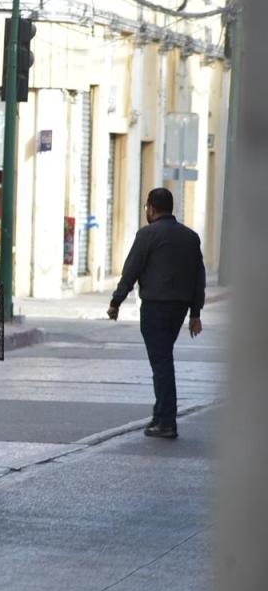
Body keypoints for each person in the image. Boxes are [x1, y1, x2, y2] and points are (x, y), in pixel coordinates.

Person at [107, 187, 205, 439]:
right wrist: (195, 313)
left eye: (146, 207)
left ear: (151, 208)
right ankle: (160, 414)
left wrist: (116, 301)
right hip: (179, 308)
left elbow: (131, 270)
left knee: (161, 363)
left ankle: (166, 421)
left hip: (155, 307)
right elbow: (199, 276)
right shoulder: (190, 237)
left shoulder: (147, 234)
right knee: (163, 358)